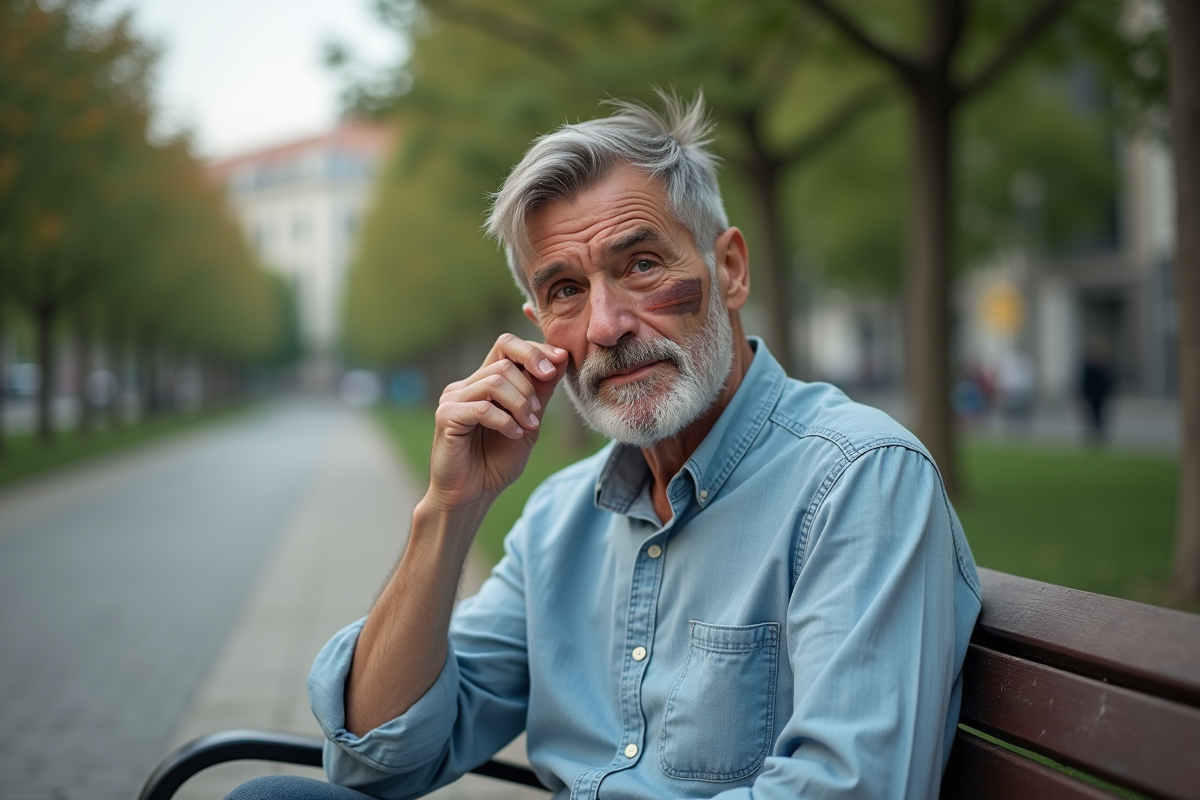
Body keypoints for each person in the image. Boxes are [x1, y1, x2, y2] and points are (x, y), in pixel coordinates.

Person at [229, 94, 981, 800]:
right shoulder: (561, 520)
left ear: (729, 268)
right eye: (564, 290)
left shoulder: (858, 480)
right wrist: (449, 510)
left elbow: (848, 788)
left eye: (642, 266)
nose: (606, 326)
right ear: (535, 325)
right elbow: (376, 758)